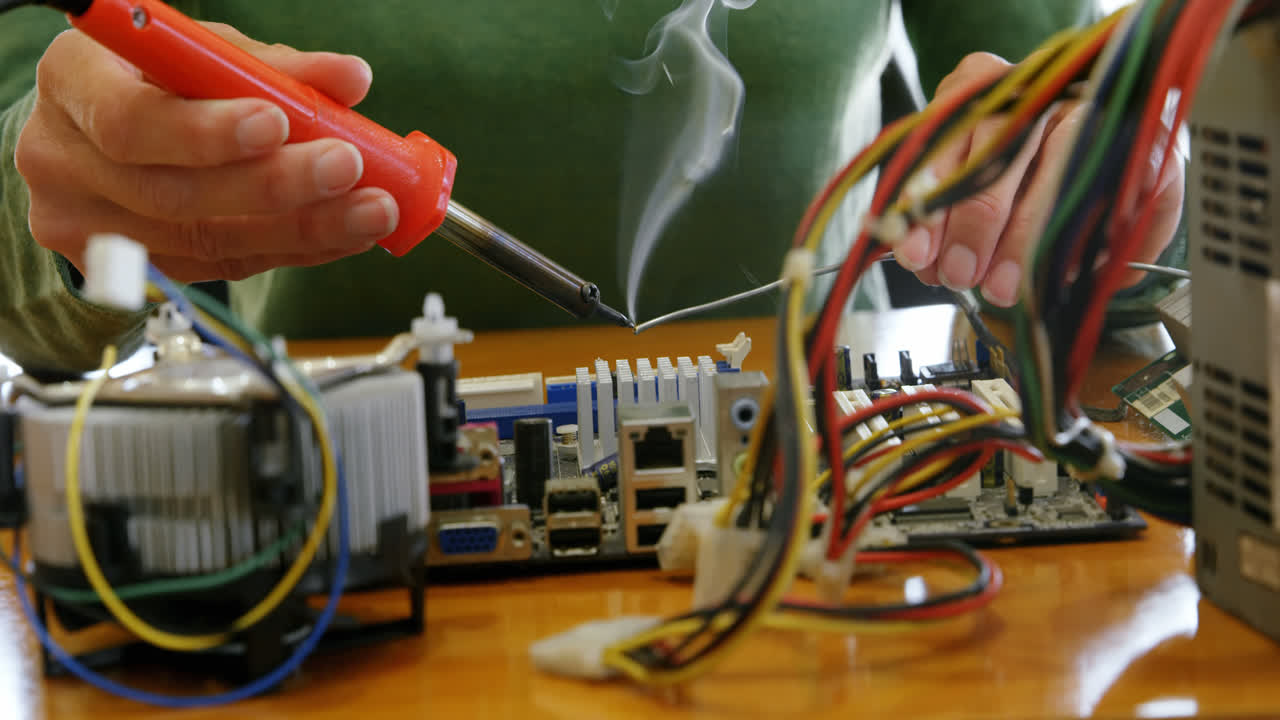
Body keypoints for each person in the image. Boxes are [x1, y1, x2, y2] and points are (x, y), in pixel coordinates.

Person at [0, 1, 1182, 373]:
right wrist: (68, 214)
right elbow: (25, 217)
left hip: (836, 516)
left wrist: (1109, 202)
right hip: (320, 556)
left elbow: (1071, 119)